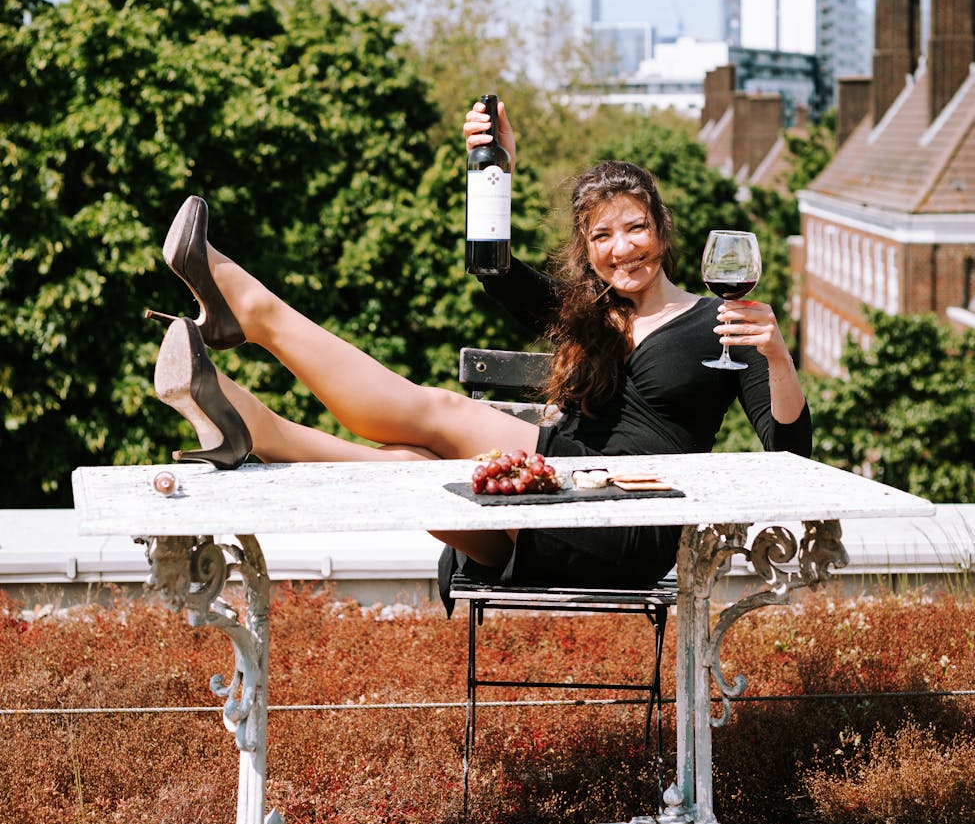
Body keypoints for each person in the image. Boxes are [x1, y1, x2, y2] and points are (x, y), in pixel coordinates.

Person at [148, 99, 811, 602]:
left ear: (662, 231)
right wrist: (491, 169)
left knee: (439, 411)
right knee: (409, 465)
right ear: (586, 249)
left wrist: (776, 356)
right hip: (550, 517)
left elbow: (790, 450)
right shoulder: (585, 316)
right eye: (602, 235)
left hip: (626, 524)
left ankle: (256, 314)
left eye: (636, 227)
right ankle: (258, 428)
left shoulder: (723, 323)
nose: (622, 248)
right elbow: (491, 266)